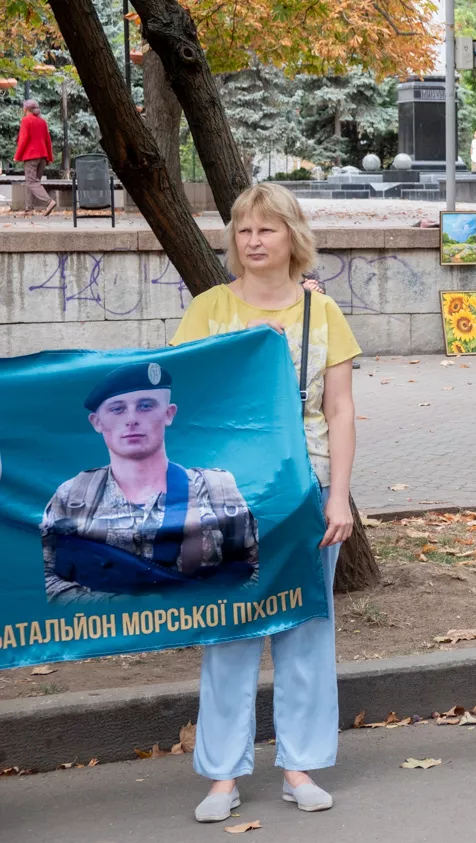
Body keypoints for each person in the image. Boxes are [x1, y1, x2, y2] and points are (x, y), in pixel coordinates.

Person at [168, 183, 358, 822]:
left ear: (291, 239)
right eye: (243, 231)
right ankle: (222, 774)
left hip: (303, 492)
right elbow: (183, 406)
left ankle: (300, 764)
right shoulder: (208, 310)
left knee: (306, 629)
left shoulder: (322, 313)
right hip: (224, 497)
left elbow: (340, 410)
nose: (252, 242)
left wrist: (339, 499)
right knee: (229, 633)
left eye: (266, 230)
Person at [40, 363, 258, 604]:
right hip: (108, 636)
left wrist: (204, 610)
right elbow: (46, 578)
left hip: (194, 630)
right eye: (117, 409)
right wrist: (122, 612)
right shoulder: (73, 495)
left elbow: (254, 567)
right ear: (96, 422)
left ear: (169, 414)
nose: (132, 419)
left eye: (145, 406)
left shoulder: (215, 488)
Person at [13, 99, 55, 215]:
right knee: (33, 182)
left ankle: (49, 201)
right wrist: (50, 158)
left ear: (26, 109)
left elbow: (23, 140)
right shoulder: (42, 122)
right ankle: (29, 209)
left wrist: (17, 156)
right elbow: (48, 141)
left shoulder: (26, 120)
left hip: (31, 157)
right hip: (42, 157)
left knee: (31, 182)